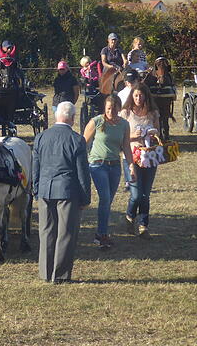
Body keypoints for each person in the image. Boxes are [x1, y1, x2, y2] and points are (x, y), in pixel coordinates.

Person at [32, 101, 91, 283]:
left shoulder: (41, 137)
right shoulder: (76, 139)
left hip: (44, 189)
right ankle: (60, 275)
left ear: (56, 116)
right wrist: (85, 198)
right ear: (72, 118)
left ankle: (45, 272)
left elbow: (36, 167)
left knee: (46, 231)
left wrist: (36, 189)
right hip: (67, 191)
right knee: (66, 233)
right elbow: (82, 172)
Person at [83, 94, 133, 249]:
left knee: (108, 201)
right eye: (109, 108)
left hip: (115, 165)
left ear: (119, 108)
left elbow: (125, 146)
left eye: (114, 108)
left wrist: (131, 166)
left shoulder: (124, 124)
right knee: (104, 198)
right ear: (105, 108)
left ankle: (101, 231)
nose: (111, 111)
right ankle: (101, 234)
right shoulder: (96, 122)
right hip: (98, 165)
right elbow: (83, 143)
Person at [119, 83, 159, 237]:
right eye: (135, 95)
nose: (138, 98)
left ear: (146, 96)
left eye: (141, 95)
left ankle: (143, 225)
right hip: (131, 157)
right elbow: (121, 137)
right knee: (136, 194)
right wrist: (135, 136)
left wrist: (153, 133)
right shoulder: (125, 113)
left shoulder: (153, 113)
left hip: (149, 157)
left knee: (145, 195)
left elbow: (158, 133)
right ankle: (130, 216)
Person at [0, 40, 26, 123]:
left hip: (11, 73)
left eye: (10, 47)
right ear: (3, 48)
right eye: (8, 47)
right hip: (2, 74)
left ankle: (22, 89)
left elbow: (16, 64)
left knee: (20, 74)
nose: (9, 49)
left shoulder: (14, 55)